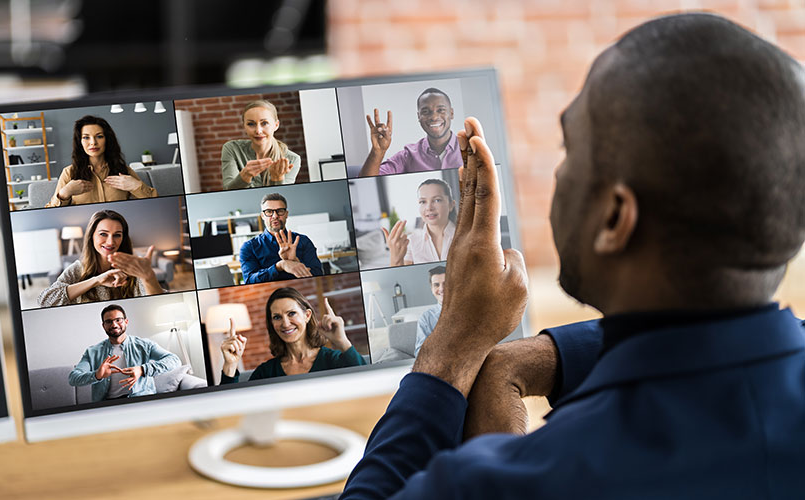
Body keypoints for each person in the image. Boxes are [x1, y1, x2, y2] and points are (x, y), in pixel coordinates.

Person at [342, 13, 805, 499]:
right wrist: (546, 357)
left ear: (613, 219)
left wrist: (454, 346)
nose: (560, 174)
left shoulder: (516, 480)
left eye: (569, 149)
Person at [218, 287, 367, 383]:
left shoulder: (334, 361)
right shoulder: (266, 372)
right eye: (277, 317)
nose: (285, 323)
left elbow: (367, 383)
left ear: (307, 315)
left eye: (291, 314)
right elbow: (233, 407)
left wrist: (342, 342)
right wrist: (230, 365)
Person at [38, 210, 164, 307]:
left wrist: (149, 278)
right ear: (91, 236)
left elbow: (159, 303)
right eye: (103, 234)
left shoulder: (131, 268)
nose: (110, 242)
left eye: (117, 235)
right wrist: (96, 280)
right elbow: (45, 301)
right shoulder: (77, 269)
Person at [68, 304, 180, 402]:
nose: (114, 325)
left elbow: (174, 360)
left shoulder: (144, 345)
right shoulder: (92, 352)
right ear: (103, 326)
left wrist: (142, 369)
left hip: (142, 401)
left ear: (126, 322)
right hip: (107, 405)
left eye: (118, 320)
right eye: (108, 321)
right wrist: (97, 375)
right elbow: (73, 379)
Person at [46, 115, 156, 207]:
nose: (93, 142)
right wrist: (65, 193)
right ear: (80, 142)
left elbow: (155, 203)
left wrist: (136, 186)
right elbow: (49, 211)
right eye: (86, 137)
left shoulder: (123, 170)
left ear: (107, 139)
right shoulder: (69, 173)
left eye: (99, 136)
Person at [358, 88, 462, 177]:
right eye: (425, 112)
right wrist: (377, 152)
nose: (434, 117)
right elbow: (367, 182)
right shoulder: (408, 155)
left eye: (441, 110)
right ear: (419, 117)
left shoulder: (470, 148)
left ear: (451, 113)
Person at [239, 193, 324, 283]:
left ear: (286, 214)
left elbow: (318, 275)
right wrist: (279, 266)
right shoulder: (249, 247)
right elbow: (249, 281)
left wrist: (296, 261)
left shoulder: (303, 241)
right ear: (263, 216)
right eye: (269, 211)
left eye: (280, 211)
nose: (275, 216)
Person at [220, 100, 301, 190]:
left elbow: (280, 198)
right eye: (251, 124)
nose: (258, 131)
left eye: (264, 123)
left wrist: (277, 179)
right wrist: (245, 176)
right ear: (244, 126)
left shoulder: (292, 159)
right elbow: (228, 191)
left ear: (276, 125)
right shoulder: (232, 149)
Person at [383, 178, 456, 267]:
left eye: (437, 200)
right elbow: (403, 278)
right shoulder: (411, 242)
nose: (429, 207)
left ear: (451, 205)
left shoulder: (468, 236)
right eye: (423, 202)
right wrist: (395, 257)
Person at [413, 265, 444, 357]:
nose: (441, 289)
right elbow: (419, 352)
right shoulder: (426, 318)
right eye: (436, 285)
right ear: (432, 289)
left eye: (446, 283)